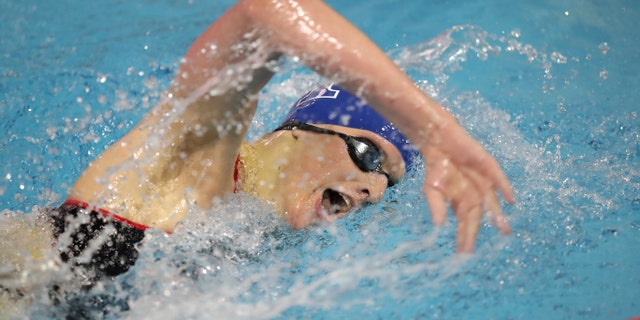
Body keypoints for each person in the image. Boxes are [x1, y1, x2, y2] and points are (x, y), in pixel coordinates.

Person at [48, 0, 514, 283]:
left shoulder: (249, 243)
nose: (372, 189)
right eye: (368, 154)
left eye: (385, 184)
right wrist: (435, 133)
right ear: (299, 131)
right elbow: (263, 14)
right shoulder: (188, 156)